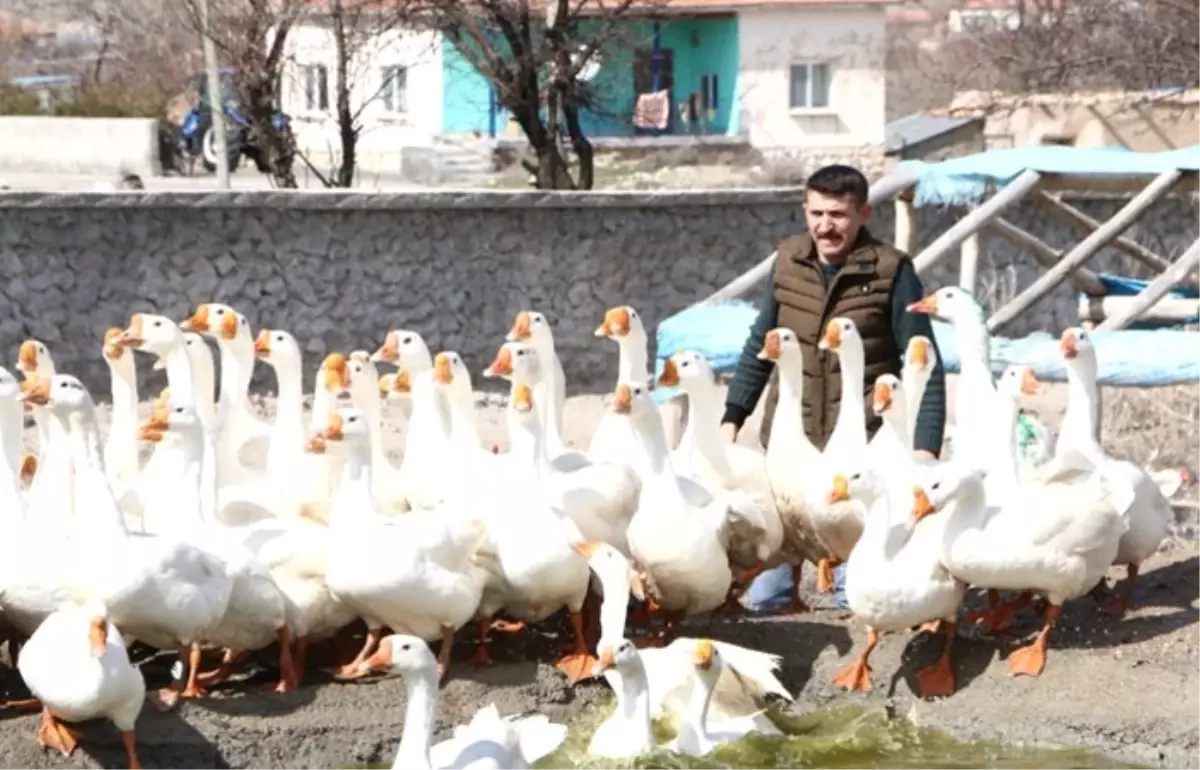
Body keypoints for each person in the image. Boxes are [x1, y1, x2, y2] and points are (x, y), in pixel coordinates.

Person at [718, 164, 947, 611]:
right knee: (768, 596)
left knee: (856, 596)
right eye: (817, 213)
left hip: (857, 447)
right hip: (792, 444)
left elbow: (924, 359)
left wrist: (925, 447)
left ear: (862, 213)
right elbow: (758, 344)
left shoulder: (892, 271)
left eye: (838, 215)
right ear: (805, 210)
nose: (826, 226)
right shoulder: (788, 260)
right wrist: (732, 418)